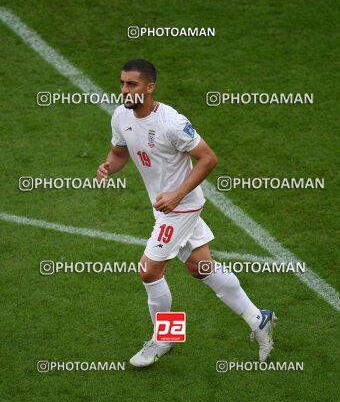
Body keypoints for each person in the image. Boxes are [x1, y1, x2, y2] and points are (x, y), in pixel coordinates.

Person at [97, 59, 276, 367]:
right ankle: (258, 318)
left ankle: (164, 339)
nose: (125, 90)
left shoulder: (172, 123)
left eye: (133, 84)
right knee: (201, 268)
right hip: (165, 206)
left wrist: (178, 194)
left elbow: (208, 158)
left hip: (181, 206)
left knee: (149, 270)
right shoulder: (120, 116)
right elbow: (119, 151)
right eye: (123, 83)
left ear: (149, 87)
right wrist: (108, 167)